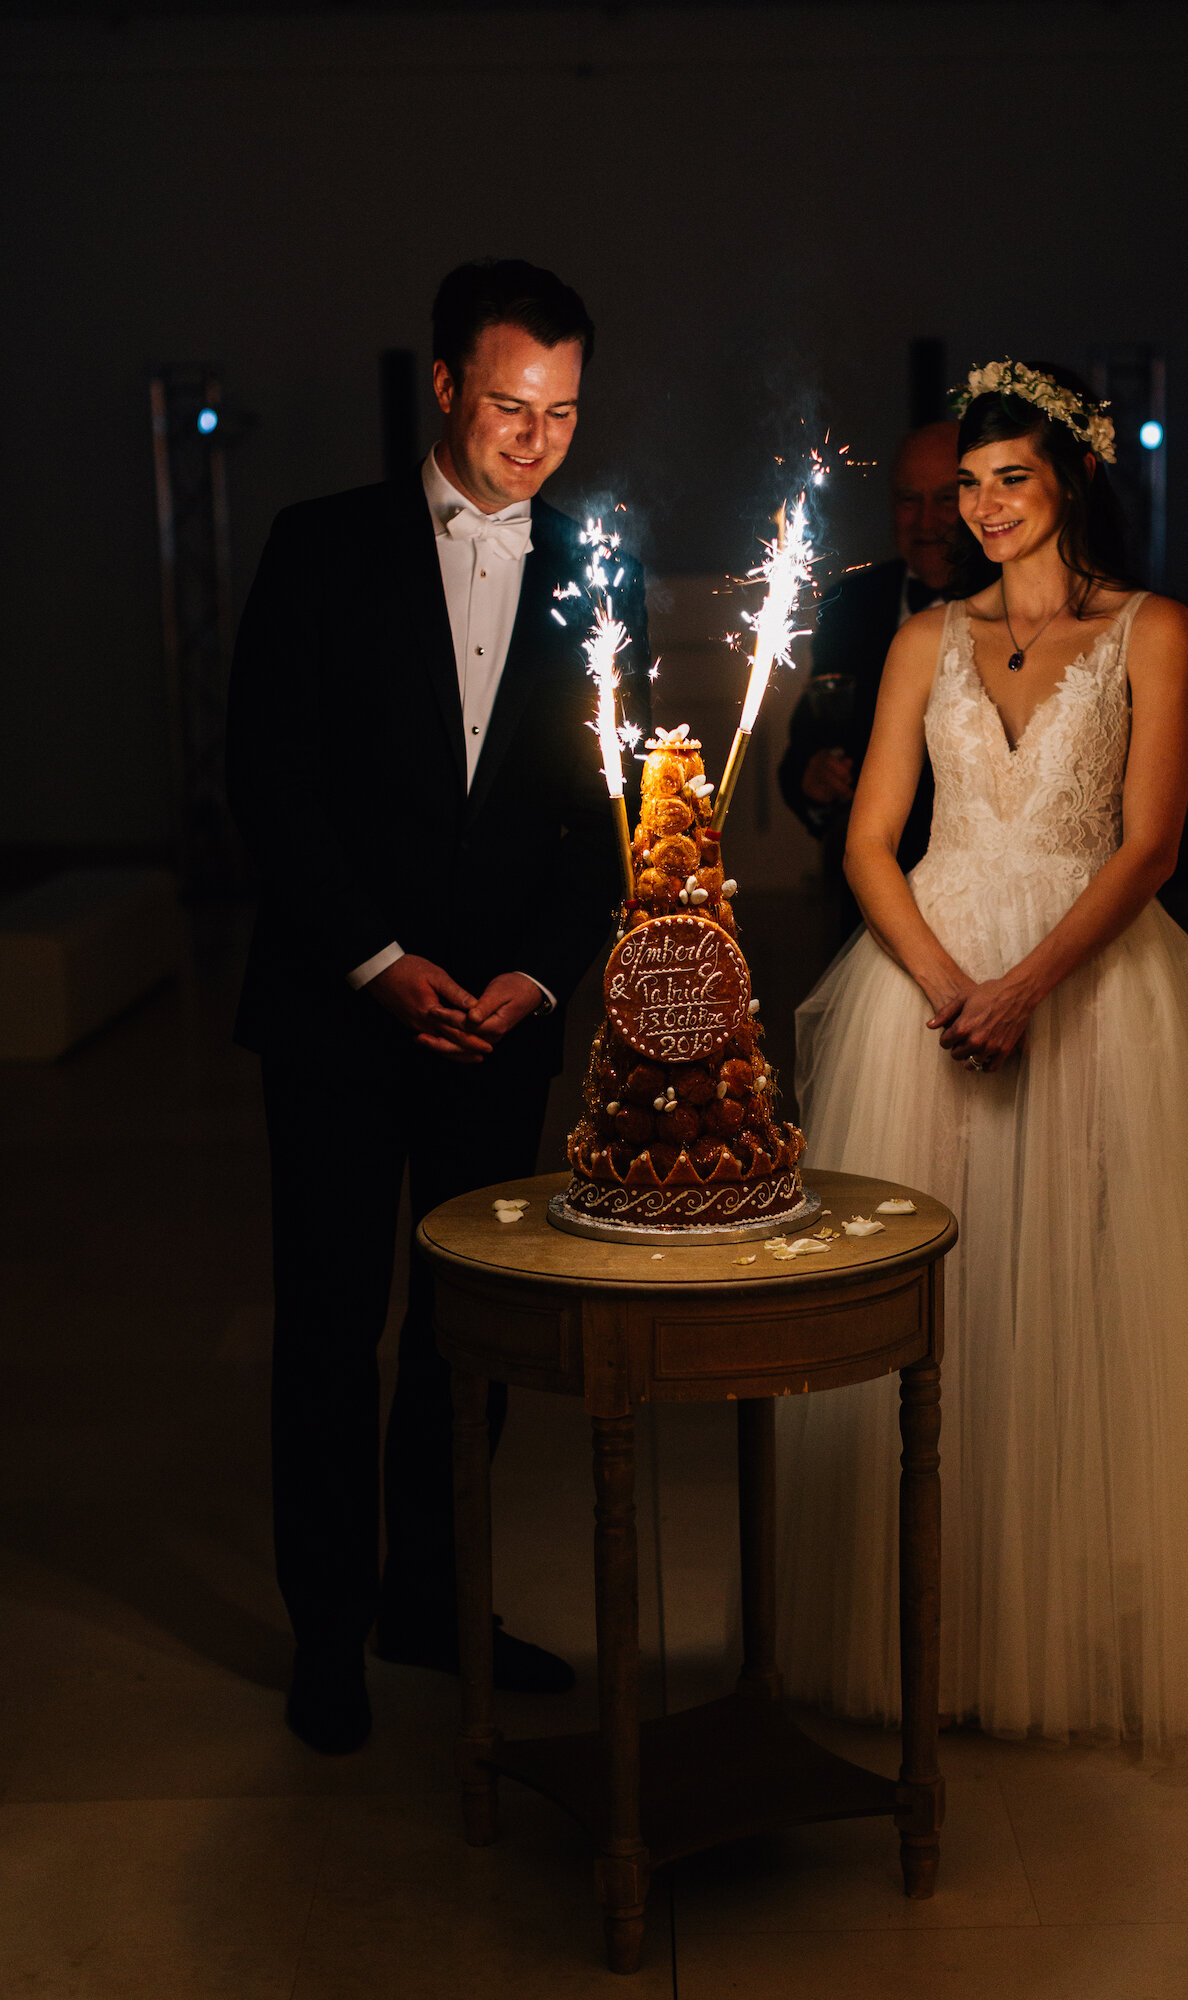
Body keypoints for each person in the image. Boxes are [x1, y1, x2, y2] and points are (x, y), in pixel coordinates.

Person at [774, 360, 1188, 1761]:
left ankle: (1081, 1623)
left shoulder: (1153, 631)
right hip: (934, 973)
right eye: (965, 487)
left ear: (1070, 478)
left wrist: (1028, 986)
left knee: (1098, 1299)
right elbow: (864, 844)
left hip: (1091, 979)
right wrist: (954, 983)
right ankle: (936, 1625)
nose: (980, 509)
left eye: (1006, 479)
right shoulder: (923, 640)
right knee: (946, 1306)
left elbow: (1147, 844)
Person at [226, 260, 651, 1754]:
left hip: (499, 1016)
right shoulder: (320, 546)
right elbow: (268, 785)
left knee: (471, 1335)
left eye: (564, 413)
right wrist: (375, 960)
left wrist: (537, 974)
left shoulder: (601, 563)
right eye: (510, 406)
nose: (534, 439)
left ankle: (433, 1604)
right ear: (446, 388)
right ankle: (329, 1633)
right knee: (333, 1326)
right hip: (345, 1009)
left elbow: (610, 802)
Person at [778, 420, 957, 940]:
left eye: (946, 500)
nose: (926, 521)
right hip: (871, 902)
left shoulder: (1020, 605)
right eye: (909, 500)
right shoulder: (852, 602)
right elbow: (804, 745)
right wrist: (813, 779)